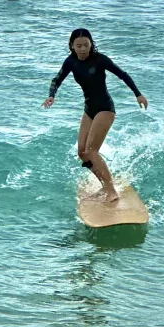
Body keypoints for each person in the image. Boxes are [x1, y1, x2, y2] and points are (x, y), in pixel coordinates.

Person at [43, 27, 148, 202]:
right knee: (82, 152)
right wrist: (51, 96)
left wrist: (138, 94)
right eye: (79, 45)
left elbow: (123, 75)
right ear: (72, 46)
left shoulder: (100, 60)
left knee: (92, 151)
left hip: (105, 108)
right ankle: (104, 184)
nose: (83, 49)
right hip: (89, 108)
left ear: (91, 44)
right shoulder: (70, 62)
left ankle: (111, 191)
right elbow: (57, 79)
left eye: (86, 45)